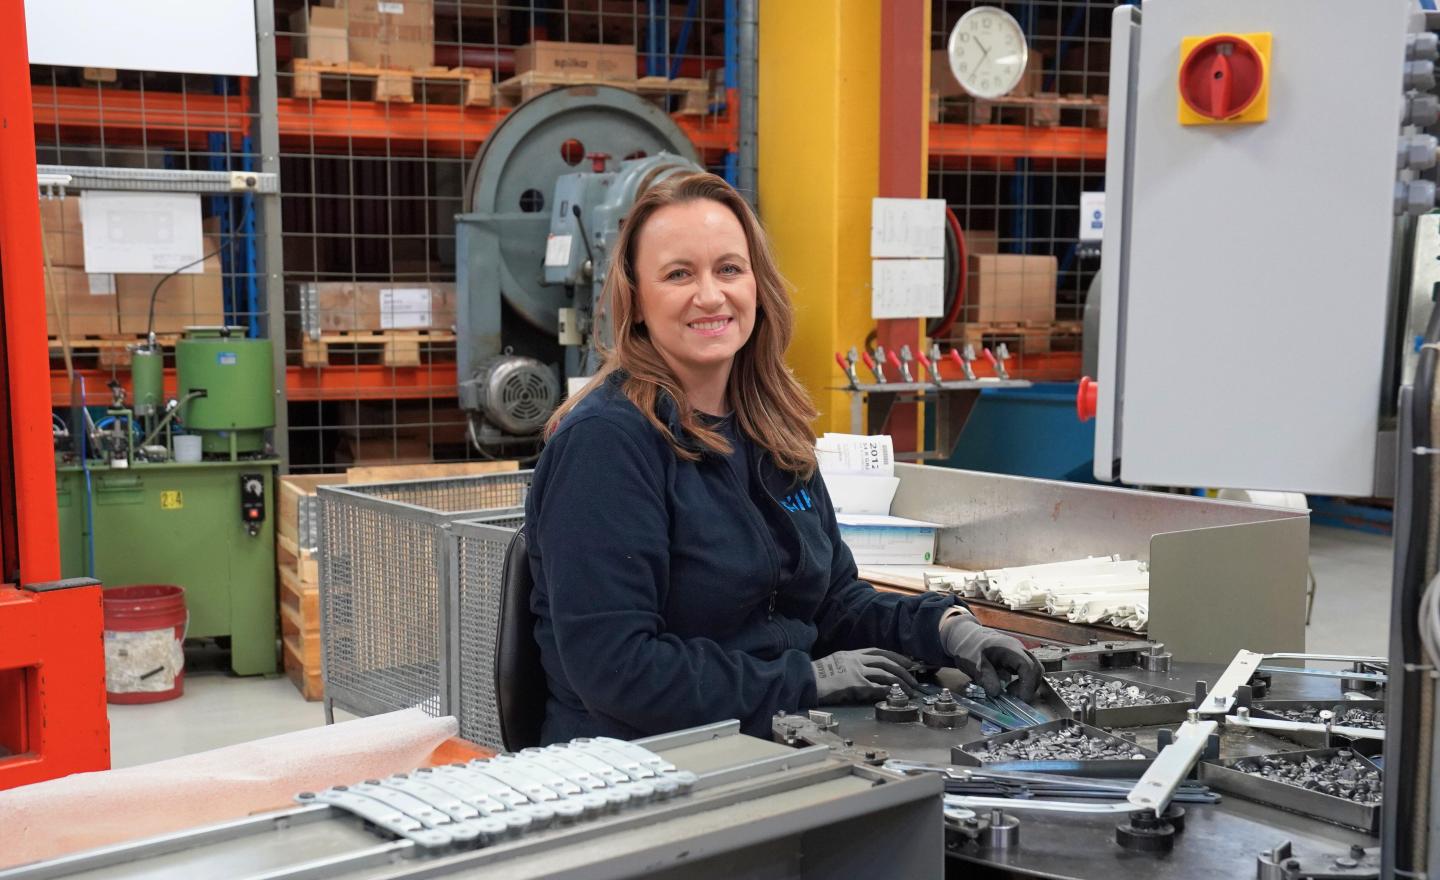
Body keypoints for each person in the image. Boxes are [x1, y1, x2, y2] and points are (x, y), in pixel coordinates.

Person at [525, 171, 1041, 744]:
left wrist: (946, 628)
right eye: (678, 274)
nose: (710, 295)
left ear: (756, 284)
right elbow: (617, 671)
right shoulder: (607, 445)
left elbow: (833, 600)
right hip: (638, 767)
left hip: (766, 735)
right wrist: (800, 681)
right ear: (637, 301)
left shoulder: (770, 427)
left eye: (729, 268)